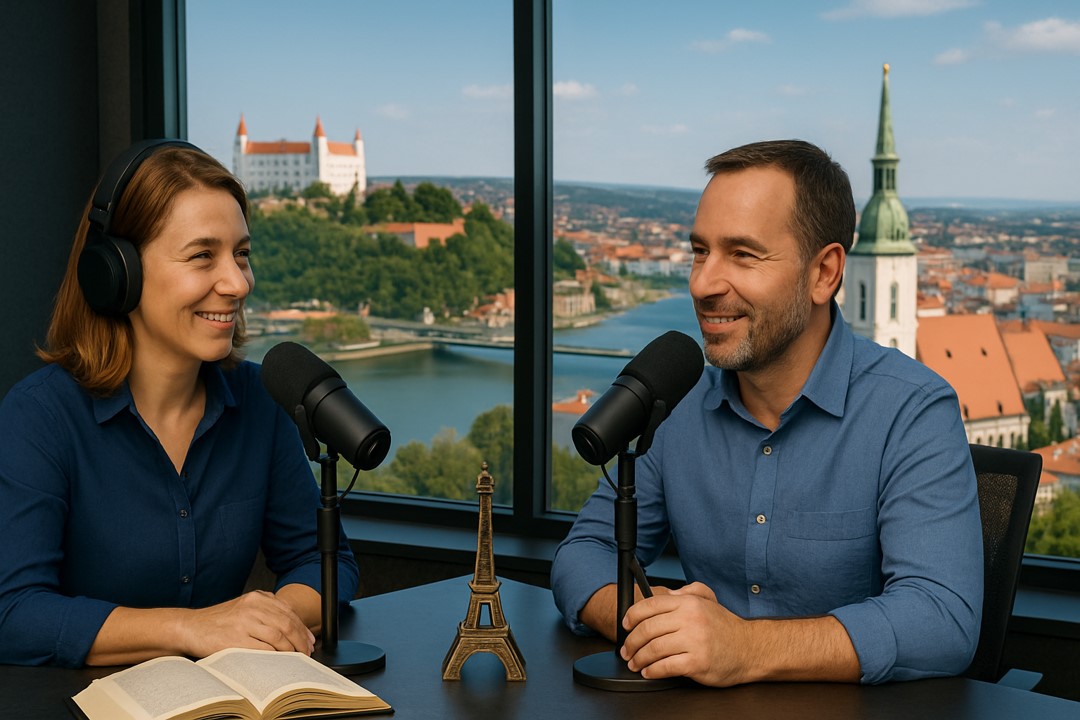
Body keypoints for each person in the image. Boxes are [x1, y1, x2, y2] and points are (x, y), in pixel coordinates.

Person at [551, 139, 983, 687]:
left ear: (824, 273)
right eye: (700, 251)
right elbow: (581, 555)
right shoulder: (677, 407)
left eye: (743, 255)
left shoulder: (911, 410)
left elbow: (941, 620)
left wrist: (745, 648)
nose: (703, 283)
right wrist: (654, 625)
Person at [0, 141, 359, 668]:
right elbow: (13, 614)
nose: (237, 283)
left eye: (242, 254)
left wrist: (270, 620)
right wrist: (192, 628)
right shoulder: (39, 418)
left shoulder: (261, 402)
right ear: (117, 273)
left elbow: (323, 562)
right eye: (202, 256)